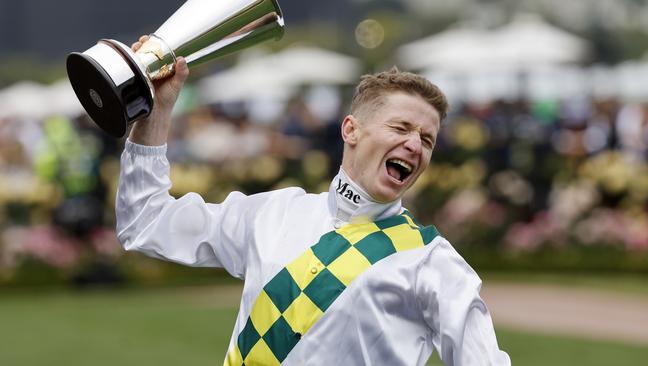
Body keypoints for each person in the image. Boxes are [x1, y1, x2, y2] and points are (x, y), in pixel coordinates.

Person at [116, 35, 510, 366]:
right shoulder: (273, 213)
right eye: (401, 128)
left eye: (427, 139)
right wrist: (158, 111)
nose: (414, 145)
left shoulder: (432, 261)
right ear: (351, 130)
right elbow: (144, 222)